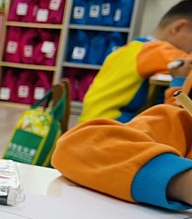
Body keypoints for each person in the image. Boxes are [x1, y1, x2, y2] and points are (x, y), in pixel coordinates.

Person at [54, 79, 192, 209]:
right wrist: (180, 183)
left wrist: (178, 80)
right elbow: (76, 145)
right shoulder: (181, 125)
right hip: (116, 119)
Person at [78, 0, 192, 124]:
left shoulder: (135, 47)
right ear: (178, 28)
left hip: (91, 120)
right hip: (109, 123)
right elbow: (187, 63)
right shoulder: (155, 50)